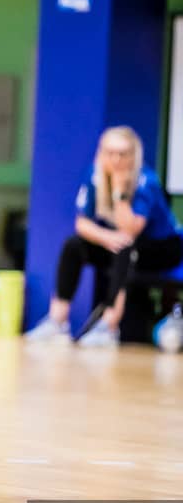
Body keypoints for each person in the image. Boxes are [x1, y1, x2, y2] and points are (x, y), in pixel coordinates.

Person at [27, 126, 182, 347]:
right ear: (101, 153)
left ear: (134, 155)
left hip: (162, 248)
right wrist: (107, 238)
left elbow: (130, 230)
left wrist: (119, 192)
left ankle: (109, 326)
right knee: (74, 245)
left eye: (123, 154)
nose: (116, 160)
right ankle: (57, 321)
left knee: (125, 248)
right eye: (110, 153)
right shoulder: (94, 175)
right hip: (117, 241)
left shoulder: (146, 181)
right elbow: (82, 224)